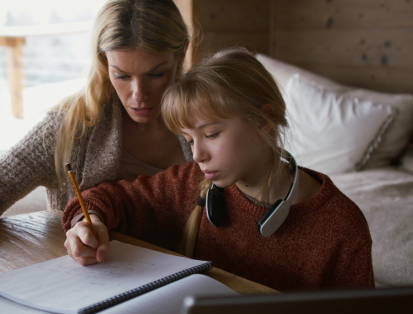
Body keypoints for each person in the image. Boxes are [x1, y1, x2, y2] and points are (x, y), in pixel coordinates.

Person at [0, 0, 198, 297]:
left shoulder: (211, 120)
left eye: (155, 74)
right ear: (103, 63)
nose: (138, 94)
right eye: (122, 75)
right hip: (92, 289)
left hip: (196, 283)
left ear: (181, 53)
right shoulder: (70, 129)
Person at [62, 48, 375, 291]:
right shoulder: (190, 183)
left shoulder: (342, 228)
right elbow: (110, 197)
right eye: (188, 138)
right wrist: (87, 223)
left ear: (263, 120)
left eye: (211, 134)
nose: (197, 154)